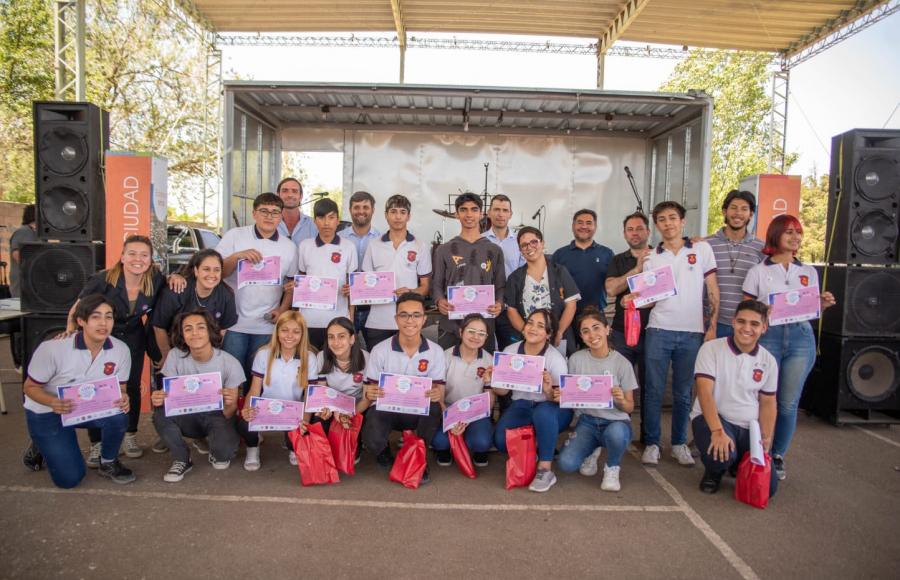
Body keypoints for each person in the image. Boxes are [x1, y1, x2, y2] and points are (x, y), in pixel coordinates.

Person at [66, 235, 184, 464]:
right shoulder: (103, 279)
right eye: (132, 254)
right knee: (99, 386)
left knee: (130, 385)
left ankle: (130, 436)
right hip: (103, 336)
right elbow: (79, 306)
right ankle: (96, 443)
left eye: (144, 255)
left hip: (133, 337)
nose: (137, 259)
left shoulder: (155, 278)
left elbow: (168, 281)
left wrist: (175, 276)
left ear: (151, 260)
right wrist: (71, 328)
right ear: (122, 257)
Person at [623, 201, 719, 468]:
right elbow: (650, 300)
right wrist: (633, 300)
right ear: (656, 225)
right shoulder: (651, 257)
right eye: (662, 219)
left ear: (683, 221)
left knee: (683, 393)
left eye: (673, 218)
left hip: (693, 332)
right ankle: (652, 443)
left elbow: (712, 288)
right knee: (653, 390)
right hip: (659, 330)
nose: (668, 223)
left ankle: (678, 443)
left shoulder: (701, 248)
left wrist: (710, 327)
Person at [742, 214, 836, 480]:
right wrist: (764, 311)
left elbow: (809, 308)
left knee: (787, 402)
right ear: (776, 235)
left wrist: (823, 305)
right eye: (789, 232)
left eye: (798, 232)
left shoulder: (808, 272)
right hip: (768, 336)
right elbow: (747, 308)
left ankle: (777, 455)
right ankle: (754, 451)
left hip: (800, 337)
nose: (795, 237)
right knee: (760, 397)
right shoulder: (758, 271)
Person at [23, 295, 134, 488]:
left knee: (119, 414)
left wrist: (123, 396)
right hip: (47, 410)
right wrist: (52, 402)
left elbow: (121, 388)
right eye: (95, 317)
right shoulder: (52, 349)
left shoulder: (121, 350)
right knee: (70, 480)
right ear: (81, 321)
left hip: (85, 408)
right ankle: (40, 444)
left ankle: (108, 463)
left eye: (108, 317)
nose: (103, 323)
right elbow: (29, 388)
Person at [692, 299, 779, 497]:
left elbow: (767, 403)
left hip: (749, 427)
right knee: (721, 455)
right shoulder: (711, 349)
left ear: (764, 328)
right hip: (715, 420)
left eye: (754, 324)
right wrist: (717, 431)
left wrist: (765, 438)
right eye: (742, 322)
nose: (746, 328)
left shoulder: (769, 361)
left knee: (768, 489)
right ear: (733, 322)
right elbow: (704, 393)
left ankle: (737, 464)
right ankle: (714, 472)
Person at [361, 293, 446, 484]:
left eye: (416, 315)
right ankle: (383, 451)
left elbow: (440, 391)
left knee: (432, 406)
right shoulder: (380, 350)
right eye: (404, 315)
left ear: (424, 319)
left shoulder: (436, 352)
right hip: (387, 410)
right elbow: (368, 390)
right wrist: (370, 393)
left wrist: (436, 395)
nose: (410, 320)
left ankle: (418, 456)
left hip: (417, 412)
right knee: (371, 441)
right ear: (396, 319)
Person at [151, 309, 245, 482]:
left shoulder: (230, 363)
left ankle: (216, 446)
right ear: (182, 335)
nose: (194, 333)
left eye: (200, 327)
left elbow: (229, 413)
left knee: (223, 458)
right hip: (187, 414)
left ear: (210, 330)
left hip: (218, 415)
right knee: (159, 415)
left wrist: (230, 403)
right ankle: (182, 459)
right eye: (188, 329)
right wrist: (159, 400)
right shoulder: (174, 356)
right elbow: (169, 401)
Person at [218, 192, 299, 389]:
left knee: (258, 381)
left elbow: (291, 285)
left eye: (274, 212)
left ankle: (250, 418)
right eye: (264, 211)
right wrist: (237, 256)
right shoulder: (235, 236)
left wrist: (282, 310)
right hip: (234, 324)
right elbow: (218, 272)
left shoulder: (288, 247)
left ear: (280, 216)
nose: (269, 216)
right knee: (231, 380)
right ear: (254, 213)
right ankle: (231, 418)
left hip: (266, 326)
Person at [557, 305, 637, 493]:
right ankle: (592, 448)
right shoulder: (576, 359)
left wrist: (621, 399)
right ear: (582, 338)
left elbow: (630, 407)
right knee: (566, 464)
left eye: (596, 328)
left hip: (616, 422)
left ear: (607, 329)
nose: (592, 335)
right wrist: (561, 394)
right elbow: (570, 394)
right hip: (587, 422)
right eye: (585, 331)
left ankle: (612, 466)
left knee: (616, 435)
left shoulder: (622, 364)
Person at [490, 309, 571, 493]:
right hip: (522, 405)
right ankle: (536, 445)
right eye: (530, 323)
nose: (533, 328)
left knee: (543, 413)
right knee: (501, 441)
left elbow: (562, 400)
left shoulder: (555, 358)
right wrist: (493, 380)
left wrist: (549, 391)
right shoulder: (510, 351)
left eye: (540, 326)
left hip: (552, 408)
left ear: (549, 334)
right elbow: (502, 391)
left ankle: (545, 470)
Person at [239, 311, 318, 470]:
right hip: (267, 410)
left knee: (299, 436)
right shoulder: (263, 354)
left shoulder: (309, 357)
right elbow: (254, 389)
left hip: (293, 412)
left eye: (296, 331)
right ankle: (253, 447)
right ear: (277, 332)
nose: (290, 335)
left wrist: (305, 421)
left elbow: (309, 394)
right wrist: (247, 410)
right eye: (284, 330)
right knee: (243, 422)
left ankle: (291, 446)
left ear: (302, 334)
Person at [432, 193, 505, 350]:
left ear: (481, 213)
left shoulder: (495, 250)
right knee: (448, 371)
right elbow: (436, 284)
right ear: (457, 214)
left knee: (484, 372)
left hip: (484, 326)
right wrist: (439, 300)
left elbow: (500, 285)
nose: (469, 214)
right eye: (464, 210)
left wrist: (500, 303)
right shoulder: (444, 250)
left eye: (474, 209)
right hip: (451, 325)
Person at [604, 212, 652, 444]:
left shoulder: (660, 256)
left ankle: (648, 438)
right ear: (624, 234)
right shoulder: (618, 260)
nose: (635, 233)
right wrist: (637, 268)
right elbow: (612, 289)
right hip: (622, 333)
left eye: (640, 228)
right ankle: (617, 431)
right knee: (618, 384)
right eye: (630, 229)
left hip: (653, 332)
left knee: (650, 387)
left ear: (648, 232)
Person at [361, 194, 432, 349]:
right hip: (378, 321)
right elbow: (365, 283)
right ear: (386, 215)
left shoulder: (420, 246)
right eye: (393, 212)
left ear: (409, 216)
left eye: (402, 212)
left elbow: (426, 287)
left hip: (409, 322)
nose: (398, 216)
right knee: (378, 368)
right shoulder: (374, 244)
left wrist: (411, 292)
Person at [504, 226, 581, 356]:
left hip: (557, 340)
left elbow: (571, 306)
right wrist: (527, 333)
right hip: (528, 341)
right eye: (524, 245)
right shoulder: (515, 278)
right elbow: (511, 310)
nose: (529, 248)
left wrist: (558, 333)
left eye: (534, 242)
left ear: (542, 243)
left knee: (556, 373)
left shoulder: (560, 271)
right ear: (520, 250)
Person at [433, 314, 495, 468]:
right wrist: (451, 419)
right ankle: (444, 449)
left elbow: (489, 399)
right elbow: (438, 397)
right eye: (471, 331)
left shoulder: (490, 360)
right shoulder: (445, 357)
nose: (476, 337)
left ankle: (478, 447)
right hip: (447, 410)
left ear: (486, 337)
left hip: (476, 413)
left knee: (481, 442)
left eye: (481, 334)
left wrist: (468, 418)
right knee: (438, 441)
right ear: (461, 332)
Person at [298, 198, 359, 349]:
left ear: (338, 220)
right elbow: (300, 280)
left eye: (331, 218)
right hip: (309, 319)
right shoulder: (305, 246)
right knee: (311, 364)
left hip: (338, 320)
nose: (326, 223)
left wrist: (350, 319)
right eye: (321, 217)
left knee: (335, 365)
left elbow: (353, 287)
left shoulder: (348, 247)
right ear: (314, 220)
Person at [705, 190, 765, 339]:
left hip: (746, 326)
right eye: (733, 207)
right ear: (724, 212)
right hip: (711, 324)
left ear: (751, 214)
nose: (738, 213)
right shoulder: (706, 244)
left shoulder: (761, 248)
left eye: (744, 209)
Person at [551, 209, 615, 316]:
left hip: (596, 315)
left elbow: (613, 284)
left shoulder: (607, 254)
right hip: (566, 315)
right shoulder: (559, 254)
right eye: (580, 223)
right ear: (573, 226)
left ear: (595, 227)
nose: (584, 227)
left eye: (589, 223)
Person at [338, 191, 382, 345]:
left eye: (365, 207)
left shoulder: (382, 239)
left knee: (376, 352)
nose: (361, 211)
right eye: (356, 207)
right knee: (346, 354)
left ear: (373, 210)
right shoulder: (338, 239)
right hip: (344, 307)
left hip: (373, 308)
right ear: (350, 210)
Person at [483, 195, 525, 350]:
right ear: (489, 212)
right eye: (496, 210)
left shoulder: (520, 242)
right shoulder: (480, 241)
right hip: (485, 307)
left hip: (510, 308)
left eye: (505, 210)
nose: (500, 214)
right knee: (485, 351)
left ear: (510, 214)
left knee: (510, 351)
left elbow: (523, 275)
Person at [276, 177, 317, 245]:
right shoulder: (269, 223)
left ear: (301, 197)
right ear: (278, 195)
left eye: (294, 191)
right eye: (285, 191)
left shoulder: (314, 225)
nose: (290, 195)